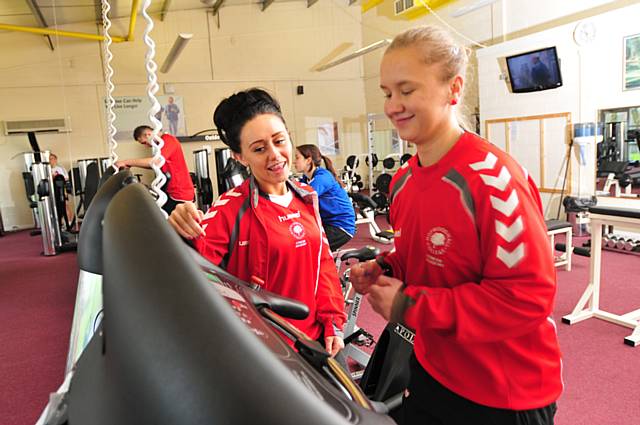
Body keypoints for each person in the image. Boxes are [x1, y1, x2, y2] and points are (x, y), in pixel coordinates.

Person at [350, 26, 562, 425]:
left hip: (504, 395)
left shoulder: (493, 179)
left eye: (406, 90)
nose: (393, 105)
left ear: (453, 89)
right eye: (387, 92)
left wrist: (409, 306)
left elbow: (526, 299)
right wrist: (388, 267)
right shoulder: (403, 181)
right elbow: (429, 256)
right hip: (433, 372)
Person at [168, 88, 346, 357]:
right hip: (267, 349)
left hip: (316, 338)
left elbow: (322, 264)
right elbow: (186, 271)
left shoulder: (306, 196)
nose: (274, 155)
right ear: (240, 157)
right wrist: (176, 229)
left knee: (348, 401)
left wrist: (333, 321)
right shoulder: (229, 210)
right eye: (259, 149)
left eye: (280, 141)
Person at [115, 126, 194, 215]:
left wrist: (126, 162)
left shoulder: (168, 140)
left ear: (148, 135)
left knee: (175, 225)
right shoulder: (159, 147)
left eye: (144, 143)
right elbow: (154, 165)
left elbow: (156, 162)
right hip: (170, 191)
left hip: (180, 193)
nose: (146, 146)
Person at [293, 144, 356, 251]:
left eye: (297, 157)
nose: (294, 161)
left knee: (305, 248)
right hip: (326, 224)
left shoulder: (323, 177)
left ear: (308, 160)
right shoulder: (306, 179)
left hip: (340, 227)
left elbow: (302, 199)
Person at [49, 153, 74, 224]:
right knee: (57, 208)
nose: (50, 160)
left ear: (55, 160)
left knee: (65, 206)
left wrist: (56, 177)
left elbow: (66, 179)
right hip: (54, 191)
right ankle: (60, 223)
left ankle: (69, 222)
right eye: (49, 159)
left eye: (52, 158)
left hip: (62, 190)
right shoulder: (48, 170)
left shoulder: (60, 169)